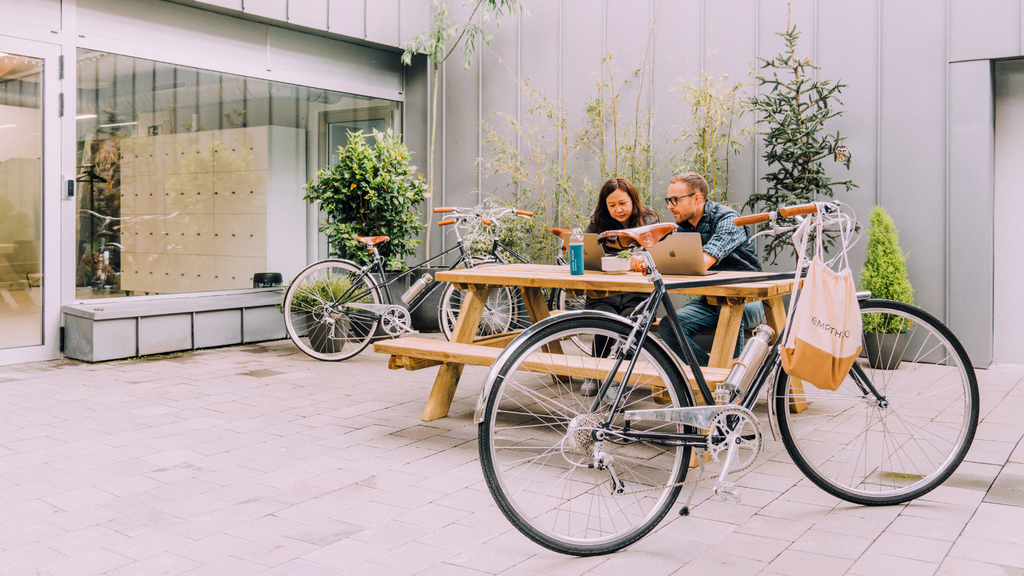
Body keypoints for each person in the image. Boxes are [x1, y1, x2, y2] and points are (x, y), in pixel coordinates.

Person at [657, 172, 766, 366]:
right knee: (668, 326)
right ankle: (710, 375)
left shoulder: (728, 220)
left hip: (751, 301)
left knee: (728, 305)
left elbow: (703, 261)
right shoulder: (683, 227)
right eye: (668, 200)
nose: (669, 206)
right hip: (712, 300)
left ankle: (732, 385)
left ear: (697, 198)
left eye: (675, 200)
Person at [580, 177, 659, 396]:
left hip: (638, 293)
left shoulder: (650, 220)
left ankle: (618, 378)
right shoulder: (598, 221)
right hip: (605, 291)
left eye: (623, 203)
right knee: (604, 317)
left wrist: (643, 260)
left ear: (633, 200)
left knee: (631, 323)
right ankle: (596, 371)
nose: (618, 210)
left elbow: (661, 256)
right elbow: (589, 253)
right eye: (611, 205)